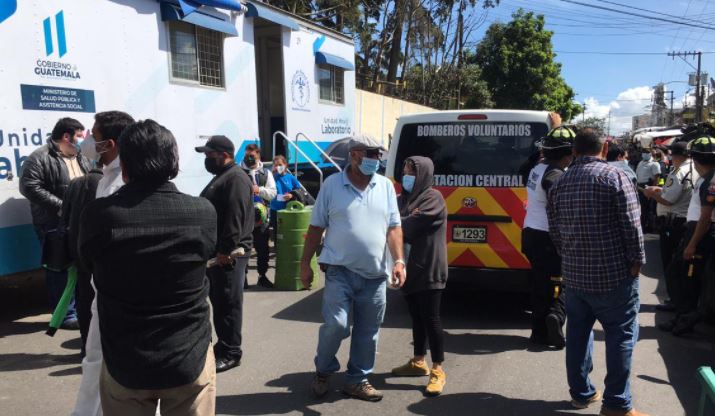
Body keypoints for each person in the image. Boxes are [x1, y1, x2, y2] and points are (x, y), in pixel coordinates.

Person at [78, 119, 217, 416]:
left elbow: (89, 265)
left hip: (124, 361)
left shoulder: (100, 215)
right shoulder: (202, 212)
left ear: (124, 166)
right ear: (174, 163)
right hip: (188, 355)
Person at [547, 128, 647, 416]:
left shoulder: (560, 183)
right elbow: (632, 225)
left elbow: (555, 232)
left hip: (575, 277)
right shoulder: (615, 177)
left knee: (577, 336)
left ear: (575, 151)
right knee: (621, 337)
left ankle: (581, 394)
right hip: (614, 277)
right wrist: (637, 262)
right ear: (604, 150)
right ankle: (616, 404)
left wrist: (570, 258)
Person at [300, 134, 405, 402]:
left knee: (368, 333)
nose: (375, 159)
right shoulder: (333, 185)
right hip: (339, 271)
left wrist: (399, 261)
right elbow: (315, 228)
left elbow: (394, 227)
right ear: (354, 155)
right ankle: (323, 369)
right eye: (370, 154)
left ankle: (357, 380)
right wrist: (305, 264)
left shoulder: (385, 187)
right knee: (336, 324)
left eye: (378, 154)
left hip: (375, 275)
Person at [72, 110, 135, 416]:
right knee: (97, 360)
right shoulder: (108, 177)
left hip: (116, 294)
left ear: (108, 143)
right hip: (105, 290)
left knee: (105, 362)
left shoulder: (122, 182)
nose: (85, 142)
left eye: (92, 137)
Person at [20, 117, 91, 330]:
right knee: (58, 269)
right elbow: (29, 186)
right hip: (52, 223)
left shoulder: (82, 158)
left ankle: (80, 309)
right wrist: (62, 206)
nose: (82, 140)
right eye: (79, 136)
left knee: (81, 268)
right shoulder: (40, 157)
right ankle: (65, 315)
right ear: (66, 136)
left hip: (79, 221)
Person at [390, 156, 448, 396]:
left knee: (431, 318)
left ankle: (438, 369)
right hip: (409, 269)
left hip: (430, 268)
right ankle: (418, 361)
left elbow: (406, 225)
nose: (407, 175)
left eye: (411, 171)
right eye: (404, 170)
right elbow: (396, 220)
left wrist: (395, 221)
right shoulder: (403, 199)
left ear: (423, 174)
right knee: (416, 316)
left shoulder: (433, 198)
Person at [196, 135, 254, 373]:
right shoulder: (222, 176)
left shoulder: (236, 178)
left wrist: (224, 251)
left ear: (224, 154)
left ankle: (232, 352)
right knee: (219, 302)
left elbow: (234, 218)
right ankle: (223, 345)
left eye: (210, 155)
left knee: (229, 304)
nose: (207, 159)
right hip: (219, 253)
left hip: (230, 254)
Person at [521, 126, 576, 349]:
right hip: (548, 238)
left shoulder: (537, 167)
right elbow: (559, 202)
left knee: (540, 284)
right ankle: (555, 316)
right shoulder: (555, 174)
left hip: (531, 234)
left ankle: (538, 332)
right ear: (568, 153)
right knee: (560, 283)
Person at [658, 136, 715, 336]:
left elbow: (706, 217)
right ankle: (684, 317)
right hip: (696, 230)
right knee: (683, 276)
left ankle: (686, 319)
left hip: (700, 233)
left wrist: (692, 244)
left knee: (684, 277)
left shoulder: (710, 181)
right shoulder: (705, 178)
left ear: (696, 159)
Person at [59, 135, 104, 356]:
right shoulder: (110, 184)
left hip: (78, 253)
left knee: (84, 299)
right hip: (102, 257)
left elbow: (64, 217)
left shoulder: (76, 184)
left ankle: (86, 347)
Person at [642, 141, 696, 312]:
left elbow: (668, 200)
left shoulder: (679, 172)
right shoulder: (695, 169)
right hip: (687, 222)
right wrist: (659, 189)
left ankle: (675, 301)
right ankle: (681, 301)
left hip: (674, 224)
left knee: (671, 264)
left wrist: (651, 194)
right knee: (681, 266)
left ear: (675, 155)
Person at [240, 144, 277, 288]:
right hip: (243, 219)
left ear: (258, 156)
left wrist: (259, 190)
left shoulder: (266, 173)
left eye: (252, 156)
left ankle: (262, 275)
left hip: (262, 219)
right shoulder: (238, 171)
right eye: (247, 155)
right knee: (243, 249)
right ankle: (243, 278)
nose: (249, 158)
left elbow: (273, 193)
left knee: (263, 249)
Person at [636, 148, 661, 233]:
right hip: (639, 187)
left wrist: (653, 189)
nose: (644, 154)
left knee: (648, 208)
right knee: (642, 208)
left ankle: (649, 227)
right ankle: (642, 226)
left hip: (648, 186)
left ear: (650, 154)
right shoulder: (641, 162)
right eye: (643, 152)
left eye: (647, 152)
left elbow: (657, 177)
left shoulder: (654, 164)